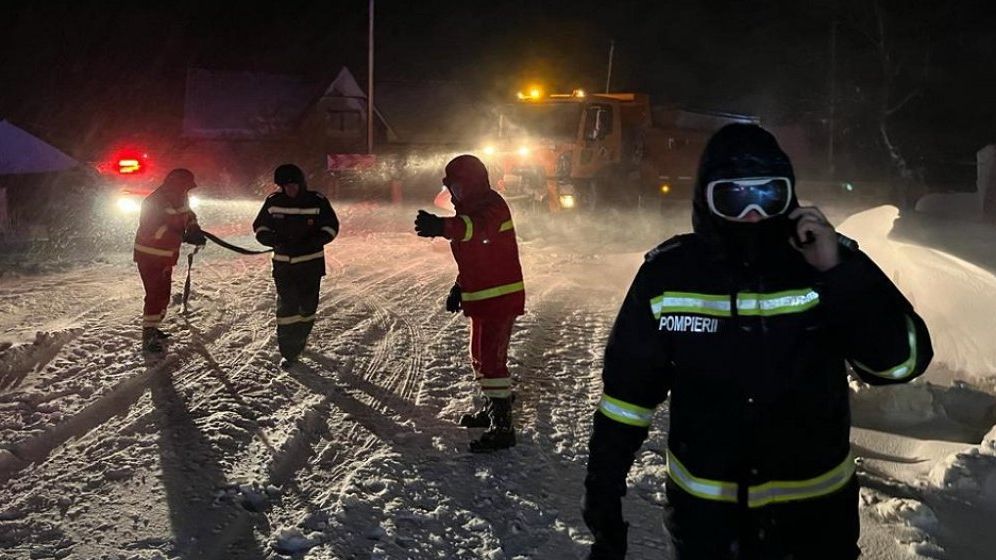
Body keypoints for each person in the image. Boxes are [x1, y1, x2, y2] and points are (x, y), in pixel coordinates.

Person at [582, 124, 933, 559]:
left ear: (789, 198)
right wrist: (603, 490)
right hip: (707, 526)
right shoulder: (669, 277)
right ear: (705, 200)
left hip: (815, 524)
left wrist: (839, 273)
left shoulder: (828, 262)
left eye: (768, 196)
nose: (752, 214)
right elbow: (626, 399)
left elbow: (901, 363)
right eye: (733, 198)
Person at [414, 154, 525, 453]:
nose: (454, 194)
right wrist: (459, 286)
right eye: (452, 188)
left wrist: (442, 226)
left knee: (491, 361)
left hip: (499, 297)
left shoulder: (492, 206)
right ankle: (492, 409)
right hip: (482, 297)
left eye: (458, 187)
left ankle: (503, 427)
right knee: (478, 357)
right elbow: (475, 258)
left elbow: (476, 228)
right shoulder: (470, 210)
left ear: (473, 184)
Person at [252, 164, 339, 368]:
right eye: (286, 186)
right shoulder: (273, 201)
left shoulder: (317, 201)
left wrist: (313, 241)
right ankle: (289, 352)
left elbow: (331, 227)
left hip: (310, 265)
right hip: (284, 266)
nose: (290, 189)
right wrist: (270, 239)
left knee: (307, 308)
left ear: (301, 184)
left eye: (293, 185)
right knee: (287, 307)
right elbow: (260, 226)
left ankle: (300, 338)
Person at [133, 168, 206, 353]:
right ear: (177, 184)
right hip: (150, 256)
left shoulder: (181, 197)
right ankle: (148, 336)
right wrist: (182, 236)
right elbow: (151, 231)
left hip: (166, 256)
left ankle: (154, 327)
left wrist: (194, 228)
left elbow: (188, 215)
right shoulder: (154, 201)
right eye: (185, 187)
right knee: (155, 295)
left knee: (164, 294)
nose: (187, 190)